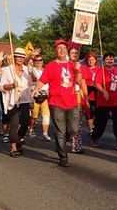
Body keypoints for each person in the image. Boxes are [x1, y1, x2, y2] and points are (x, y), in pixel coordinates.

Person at [31, 39, 83, 167]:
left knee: (73, 129)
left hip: (71, 103)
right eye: (59, 48)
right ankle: (63, 157)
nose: (61, 50)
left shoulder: (72, 65)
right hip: (56, 102)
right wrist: (36, 89)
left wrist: (79, 71)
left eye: (64, 48)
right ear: (55, 50)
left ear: (66, 50)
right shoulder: (51, 66)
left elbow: (79, 82)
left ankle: (62, 142)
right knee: (60, 131)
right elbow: (42, 80)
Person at [0, 48, 34, 157]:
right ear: (14, 57)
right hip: (12, 102)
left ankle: (18, 139)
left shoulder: (26, 70)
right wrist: (11, 86)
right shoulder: (7, 70)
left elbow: (34, 80)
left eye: (22, 57)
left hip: (24, 101)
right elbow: (2, 86)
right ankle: (13, 147)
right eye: (18, 56)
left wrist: (31, 74)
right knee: (14, 124)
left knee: (24, 124)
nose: (20, 59)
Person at [91, 52, 117, 150]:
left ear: (114, 60)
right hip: (104, 101)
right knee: (101, 122)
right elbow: (97, 84)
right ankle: (95, 137)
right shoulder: (100, 71)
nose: (109, 61)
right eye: (107, 59)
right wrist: (103, 91)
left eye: (111, 59)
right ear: (103, 61)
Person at [68, 45, 87, 154]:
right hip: (67, 97)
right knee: (68, 124)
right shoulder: (65, 66)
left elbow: (82, 83)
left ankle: (77, 147)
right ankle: (66, 136)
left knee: (78, 124)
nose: (74, 54)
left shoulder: (81, 67)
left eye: (76, 53)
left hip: (78, 98)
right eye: (72, 53)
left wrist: (86, 97)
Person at [29, 52, 51, 141]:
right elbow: (33, 79)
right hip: (35, 95)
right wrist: (31, 72)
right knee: (34, 115)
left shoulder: (46, 70)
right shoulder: (32, 69)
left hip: (45, 95)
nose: (38, 62)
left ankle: (45, 133)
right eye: (36, 60)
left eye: (40, 60)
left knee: (46, 115)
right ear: (34, 62)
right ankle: (31, 129)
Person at [82, 52, 99, 137]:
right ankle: (90, 129)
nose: (91, 61)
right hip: (89, 92)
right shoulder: (85, 69)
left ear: (95, 60)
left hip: (98, 93)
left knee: (98, 112)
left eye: (92, 59)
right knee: (89, 112)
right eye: (89, 60)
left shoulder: (100, 69)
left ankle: (95, 126)